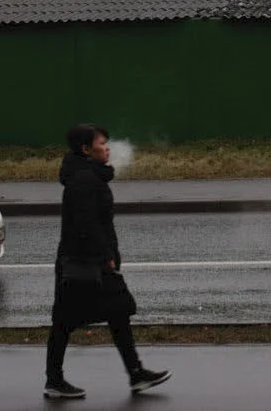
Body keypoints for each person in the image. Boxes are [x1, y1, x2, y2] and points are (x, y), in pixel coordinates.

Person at [44, 123, 170, 400]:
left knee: (117, 312)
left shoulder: (88, 176)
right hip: (84, 263)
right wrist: (106, 257)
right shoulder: (85, 180)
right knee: (65, 322)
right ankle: (54, 381)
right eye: (102, 143)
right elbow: (87, 224)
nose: (108, 147)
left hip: (86, 260)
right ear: (86, 149)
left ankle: (136, 373)